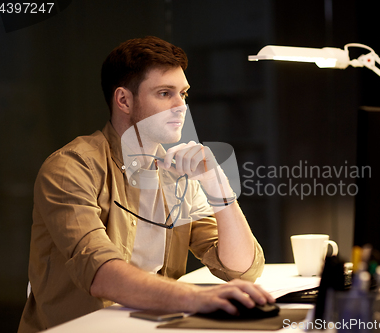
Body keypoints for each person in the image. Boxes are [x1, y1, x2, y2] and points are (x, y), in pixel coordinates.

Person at [18, 36, 272, 333]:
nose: (181, 106)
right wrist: (195, 298)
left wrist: (218, 186)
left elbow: (240, 268)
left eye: (184, 94)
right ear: (124, 100)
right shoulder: (71, 168)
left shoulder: (178, 173)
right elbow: (100, 272)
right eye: (165, 93)